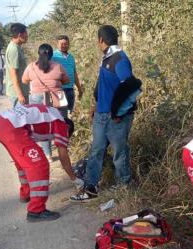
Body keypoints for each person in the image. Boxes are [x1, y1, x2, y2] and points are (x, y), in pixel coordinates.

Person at [70, 25, 141, 202]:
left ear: (101, 40)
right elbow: (103, 84)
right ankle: (91, 188)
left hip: (117, 117)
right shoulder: (107, 58)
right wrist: (96, 103)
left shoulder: (120, 59)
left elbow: (131, 85)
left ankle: (124, 186)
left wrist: (118, 111)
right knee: (96, 151)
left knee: (119, 152)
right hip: (101, 115)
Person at [0, 104, 84, 222]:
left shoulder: (52, 114)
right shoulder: (62, 124)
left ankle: (26, 194)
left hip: (1, 123)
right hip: (12, 127)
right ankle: (36, 210)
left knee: (23, 162)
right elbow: (63, 156)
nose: (64, 139)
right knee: (39, 164)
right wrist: (74, 178)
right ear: (68, 129)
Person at [22, 43, 70, 162]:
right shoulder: (58, 66)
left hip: (37, 98)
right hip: (58, 96)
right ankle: (62, 150)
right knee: (61, 124)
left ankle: (48, 155)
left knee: (43, 126)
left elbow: (24, 80)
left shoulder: (31, 67)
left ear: (38, 53)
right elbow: (67, 80)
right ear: (52, 54)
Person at [52, 35, 84, 116]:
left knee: (69, 112)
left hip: (70, 89)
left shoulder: (71, 57)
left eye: (66, 44)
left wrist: (79, 89)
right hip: (60, 90)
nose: (64, 46)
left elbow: (74, 73)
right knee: (62, 114)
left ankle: (68, 128)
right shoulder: (53, 56)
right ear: (57, 44)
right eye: (62, 44)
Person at [5, 23, 29, 107]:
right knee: (21, 119)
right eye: (26, 33)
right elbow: (13, 74)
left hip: (22, 90)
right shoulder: (13, 49)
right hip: (17, 94)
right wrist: (20, 95)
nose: (27, 36)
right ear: (20, 35)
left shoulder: (17, 47)